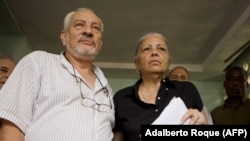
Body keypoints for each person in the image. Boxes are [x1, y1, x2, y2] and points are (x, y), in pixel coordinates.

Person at [0, 8, 114, 141]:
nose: (88, 31)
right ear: (64, 36)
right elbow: (11, 129)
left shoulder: (106, 87)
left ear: (100, 42)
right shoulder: (38, 63)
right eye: (79, 25)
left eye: (95, 28)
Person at [113, 32, 208, 141]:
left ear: (168, 62)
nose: (154, 52)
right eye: (147, 49)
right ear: (137, 64)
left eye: (161, 49)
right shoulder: (121, 98)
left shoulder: (187, 90)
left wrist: (205, 125)